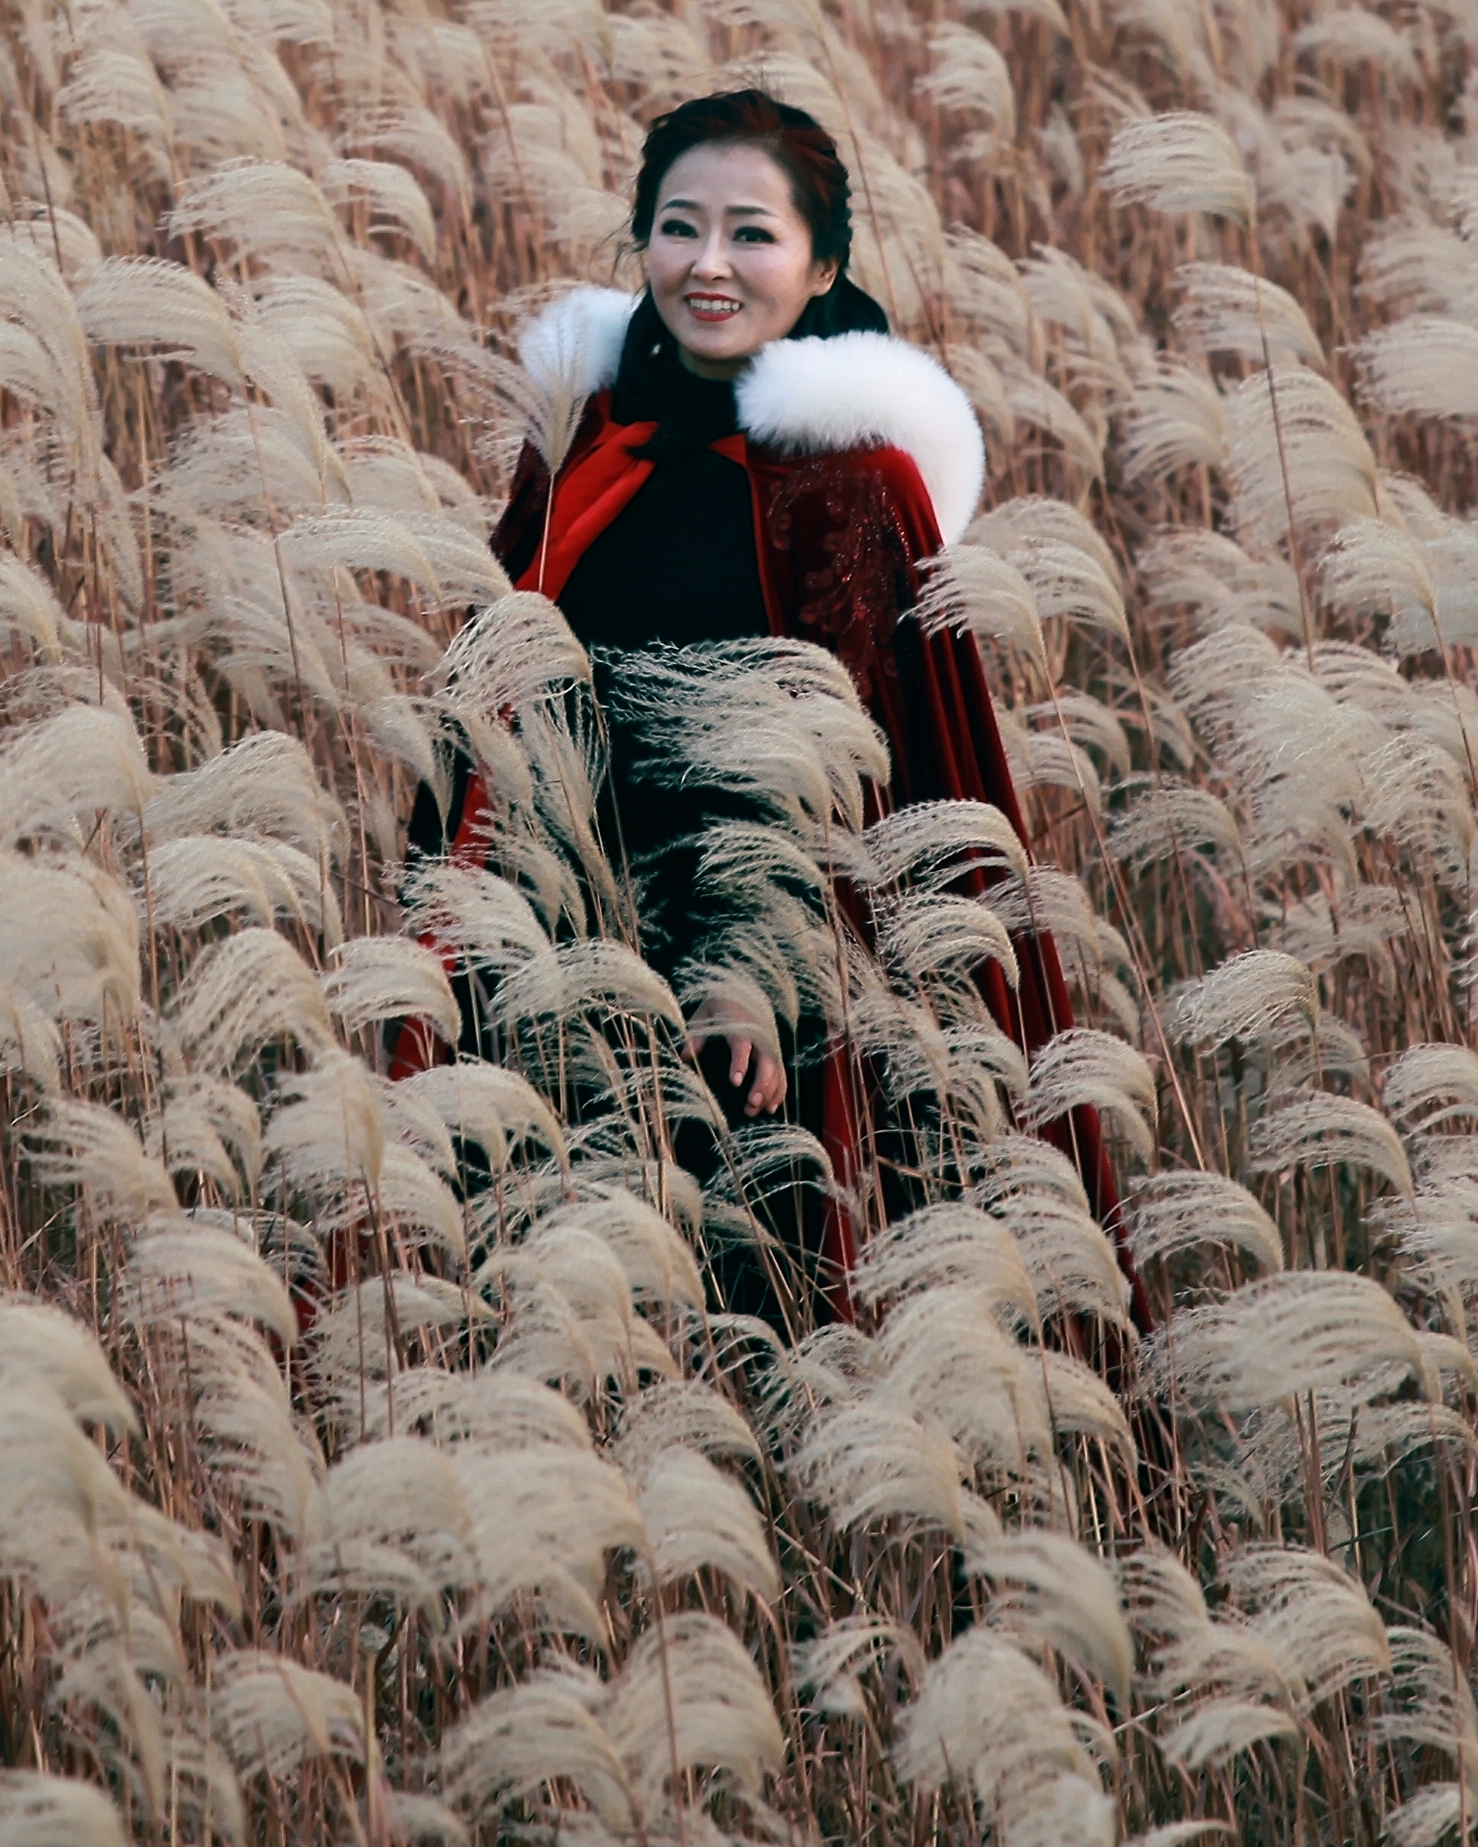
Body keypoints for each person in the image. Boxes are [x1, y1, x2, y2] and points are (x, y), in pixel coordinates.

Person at [411, 86, 1116, 1329]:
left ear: (822, 263)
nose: (710, 265)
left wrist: (760, 970)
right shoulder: (583, 443)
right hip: (559, 948)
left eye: (753, 233)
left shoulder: (854, 490)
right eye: (680, 227)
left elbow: (871, 791)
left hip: (766, 1011)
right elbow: (492, 699)